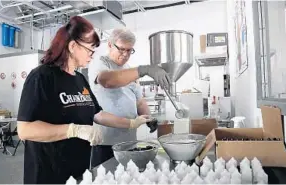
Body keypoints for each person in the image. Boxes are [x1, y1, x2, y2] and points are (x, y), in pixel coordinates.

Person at [16, 16, 151, 184]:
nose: (92, 56)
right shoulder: (41, 77)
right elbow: (25, 130)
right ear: (72, 46)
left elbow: (98, 114)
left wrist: (131, 123)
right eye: (90, 50)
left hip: (79, 170)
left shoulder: (79, 79)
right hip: (48, 172)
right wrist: (74, 130)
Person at [88, 28, 171, 168]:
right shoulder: (100, 63)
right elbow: (107, 81)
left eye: (129, 50)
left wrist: (149, 118)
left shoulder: (128, 69)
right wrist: (144, 70)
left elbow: (139, 101)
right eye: (121, 49)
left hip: (129, 142)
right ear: (109, 45)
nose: (125, 54)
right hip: (105, 143)